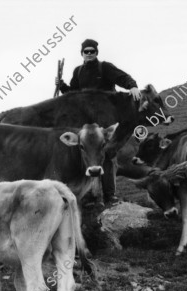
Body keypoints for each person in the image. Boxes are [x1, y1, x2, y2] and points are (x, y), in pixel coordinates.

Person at [55, 38, 140, 203]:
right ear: (82, 53)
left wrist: (133, 85)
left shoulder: (105, 67)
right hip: (87, 123)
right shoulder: (78, 71)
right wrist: (62, 86)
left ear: (96, 52)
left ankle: (110, 195)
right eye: (86, 51)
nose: (89, 54)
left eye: (92, 51)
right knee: (86, 155)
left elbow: (122, 77)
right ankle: (91, 195)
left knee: (107, 155)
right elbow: (73, 93)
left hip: (107, 120)